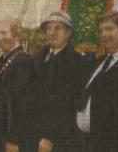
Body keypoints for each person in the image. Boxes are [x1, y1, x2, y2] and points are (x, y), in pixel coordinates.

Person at [76, 11, 118, 152]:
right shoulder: (101, 61)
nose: (103, 34)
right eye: (101, 30)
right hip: (88, 143)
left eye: (109, 29)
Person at [32, 11, 89, 152]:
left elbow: (70, 106)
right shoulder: (36, 59)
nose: (52, 32)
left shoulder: (78, 64)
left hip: (59, 141)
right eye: (49, 29)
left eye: (57, 28)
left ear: (68, 33)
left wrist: (50, 137)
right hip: (32, 136)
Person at [0, 17, 34, 152]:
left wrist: (13, 140)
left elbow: (21, 104)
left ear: (16, 35)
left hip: (9, 138)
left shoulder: (22, 62)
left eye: (4, 33)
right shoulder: (5, 59)